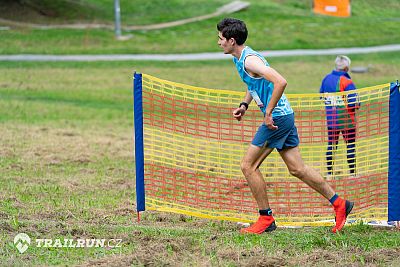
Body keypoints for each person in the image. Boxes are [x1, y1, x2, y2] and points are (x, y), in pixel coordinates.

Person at [216, 18, 354, 234]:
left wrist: (268, 112)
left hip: (278, 118)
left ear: (232, 41)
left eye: (221, 38)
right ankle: (339, 204)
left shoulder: (250, 61)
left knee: (248, 166)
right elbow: (253, 84)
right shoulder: (240, 57)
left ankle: (266, 218)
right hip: (285, 115)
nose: (218, 42)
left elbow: (280, 81)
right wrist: (244, 105)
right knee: (297, 168)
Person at [320, 56, 360, 178]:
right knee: (350, 145)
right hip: (347, 120)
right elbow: (354, 103)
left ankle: (329, 174)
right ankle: (353, 174)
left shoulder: (326, 78)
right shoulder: (347, 82)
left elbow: (321, 96)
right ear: (347, 67)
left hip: (331, 119)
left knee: (331, 145)